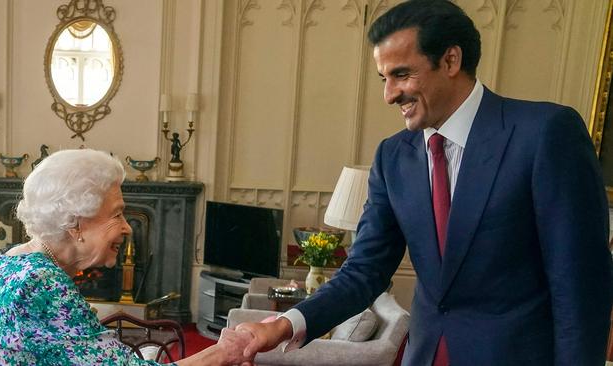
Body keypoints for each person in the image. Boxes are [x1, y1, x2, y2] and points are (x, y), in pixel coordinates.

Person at [233, 1, 613, 365]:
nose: (388, 94)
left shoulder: (545, 134)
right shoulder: (392, 158)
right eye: (384, 78)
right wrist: (287, 324)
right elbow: (363, 271)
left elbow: (580, 289)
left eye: (401, 74)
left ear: (451, 60)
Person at [0, 149, 252, 365]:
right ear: (76, 223)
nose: (127, 226)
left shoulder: (0, 264)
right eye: (116, 214)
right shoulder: (41, 283)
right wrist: (224, 352)